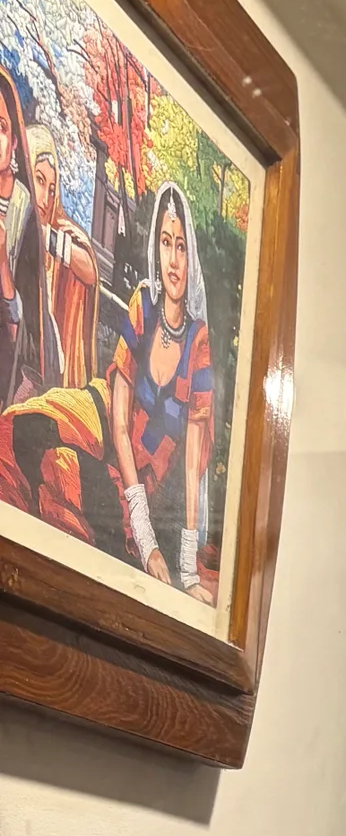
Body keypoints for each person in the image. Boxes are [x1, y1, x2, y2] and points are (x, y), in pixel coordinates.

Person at [107, 182, 215, 593]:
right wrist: (146, 538)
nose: (172, 260)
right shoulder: (143, 306)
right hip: (112, 453)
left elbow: (191, 459)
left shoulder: (198, 342)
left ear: (191, 257)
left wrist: (188, 570)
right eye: (166, 243)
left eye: (181, 247)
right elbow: (119, 424)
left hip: (150, 483)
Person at [28, 123, 99, 386]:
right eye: (39, 180)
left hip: (44, 365)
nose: (46, 198)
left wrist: (46, 237)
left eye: (52, 188)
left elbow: (89, 273)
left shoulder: (55, 231)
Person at [0, 69, 51, 408]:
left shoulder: (24, 214)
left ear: (15, 141)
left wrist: (3, 264)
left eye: (1, 127)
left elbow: (26, 343)